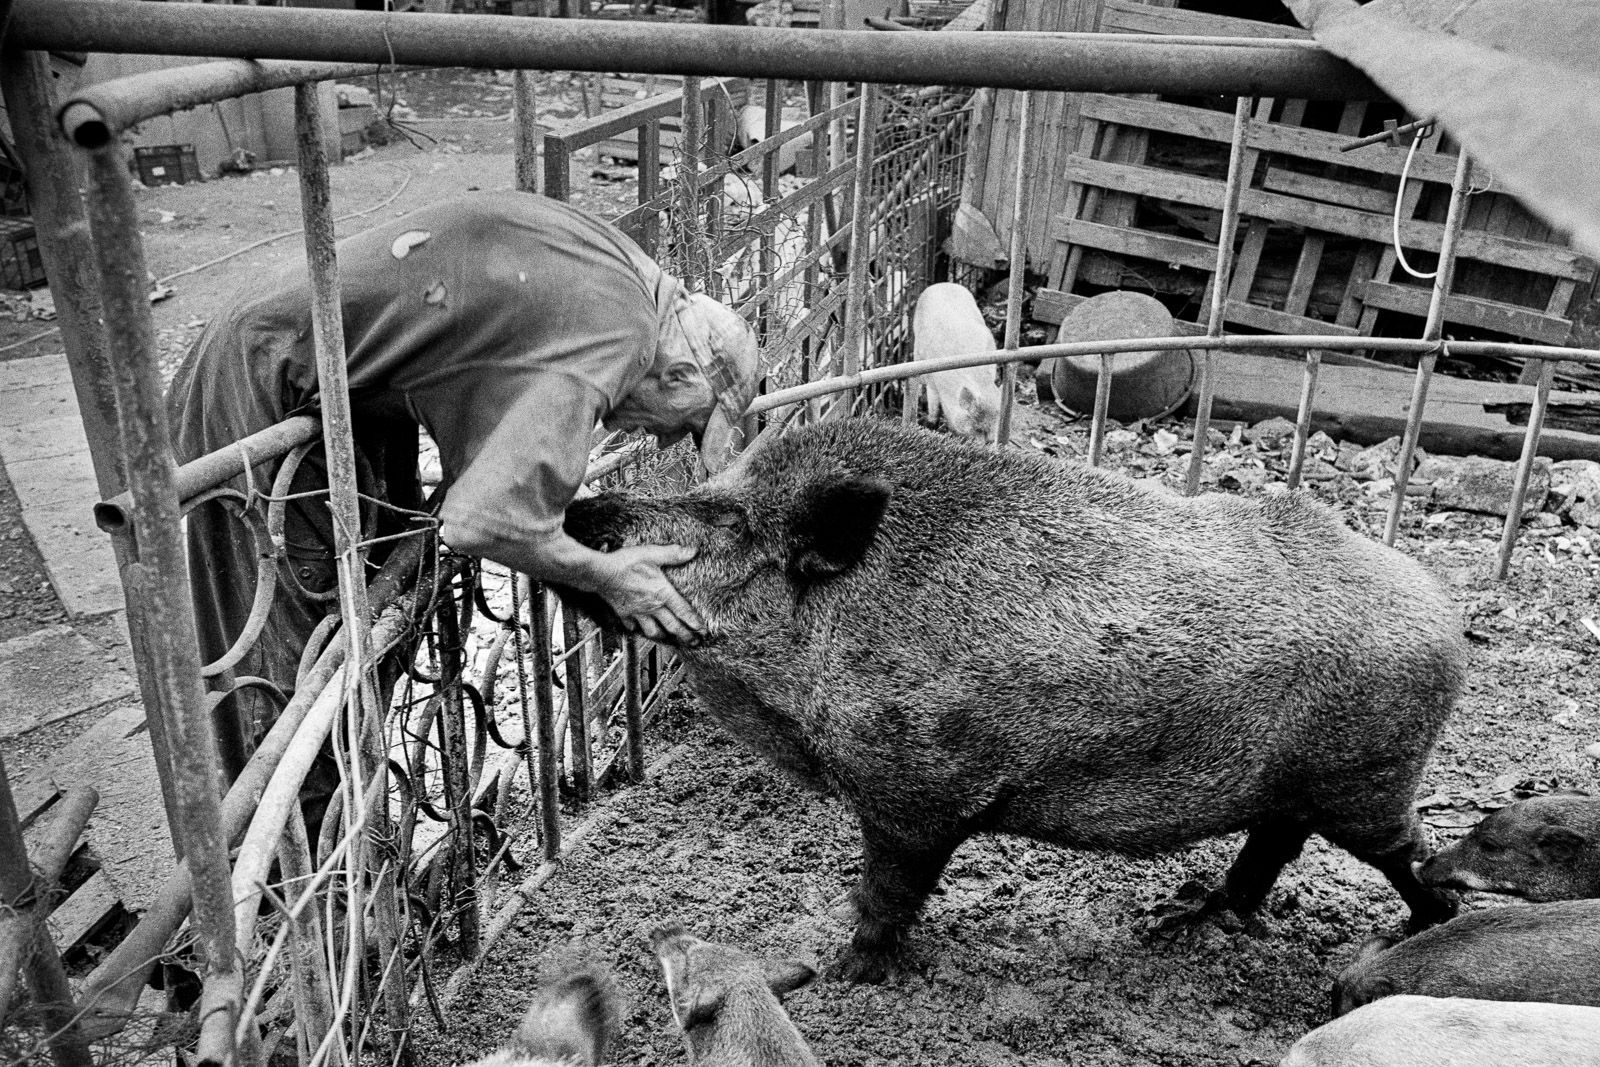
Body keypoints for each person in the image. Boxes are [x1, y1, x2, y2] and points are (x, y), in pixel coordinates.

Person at [167, 191, 761, 775]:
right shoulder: (624, 332)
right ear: (679, 376)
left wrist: (542, 494)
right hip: (268, 370)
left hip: (336, 375)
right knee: (293, 664)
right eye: (688, 425)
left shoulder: (630, 274)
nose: (666, 441)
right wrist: (608, 576)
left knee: (367, 611)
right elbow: (481, 524)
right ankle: (277, 832)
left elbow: (499, 352)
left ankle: (345, 810)